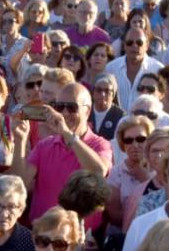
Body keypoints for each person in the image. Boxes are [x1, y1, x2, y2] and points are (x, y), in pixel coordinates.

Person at [11, 80, 113, 220]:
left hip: (78, 235)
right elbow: (19, 183)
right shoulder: (44, 146)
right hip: (42, 234)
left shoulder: (100, 144)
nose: (65, 113)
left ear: (87, 111)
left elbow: (98, 171)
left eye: (72, 108)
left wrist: (66, 133)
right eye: (60, 107)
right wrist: (19, 140)